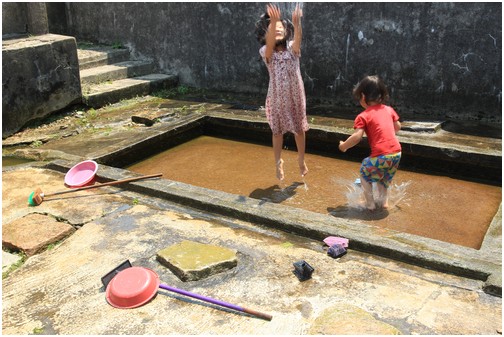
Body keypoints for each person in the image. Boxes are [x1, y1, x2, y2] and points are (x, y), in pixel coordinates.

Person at [255, 4, 309, 181]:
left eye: (280, 28)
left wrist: (297, 22)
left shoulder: (293, 49)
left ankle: (301, 159)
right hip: (277, 98)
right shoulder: (266, 52)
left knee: (299, 130)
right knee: (277, 132)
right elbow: (270, 44)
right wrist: (275, 21)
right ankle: (278, 162)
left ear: (287, 32)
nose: (277, 30)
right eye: (272, 29)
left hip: (296, 97)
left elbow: (298, 38)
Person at [338, 75, 402, 210]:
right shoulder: (389, 110)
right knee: (382, 178)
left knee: (364, 173)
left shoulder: (363, 116)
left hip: (381, 155)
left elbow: (357, 137)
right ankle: (384, 203)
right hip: (396, 153)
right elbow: (398, 127)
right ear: (382, 95)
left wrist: (344, 146)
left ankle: (370, 203)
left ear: (362, 96)